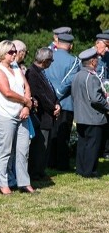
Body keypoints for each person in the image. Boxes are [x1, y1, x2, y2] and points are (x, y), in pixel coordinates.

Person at [0, 40, 33, 195]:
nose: (15, 54)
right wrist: (26, 101)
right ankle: (2, 183)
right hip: (6, 114)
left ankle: (24, 182)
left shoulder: (16, 67)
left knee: (23, 150)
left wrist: (27, 107)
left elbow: (26, 87)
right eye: (11, 52)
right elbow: (7, 92)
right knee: (5, 150)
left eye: (15, 51)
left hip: (22, 113)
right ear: (2, 54)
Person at [71, 47, 109, 178]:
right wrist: (107, 105)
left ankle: (81, 169)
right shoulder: (91, 77)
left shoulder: (77, 75)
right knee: (93, 145)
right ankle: (89, 171)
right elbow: (95, 98)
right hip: (93, 116)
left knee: (83, 144)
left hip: (81, 116)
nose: (98, 62)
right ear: (92, 62)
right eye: (96, 60)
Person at [44, 33, 79, 171]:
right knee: (63, 134)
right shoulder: (74, 61)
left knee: (51, 132)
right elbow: (70, 80)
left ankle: (49, 161)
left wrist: (51, 95)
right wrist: (58, 93)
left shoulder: (48, 57)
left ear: (57, 43)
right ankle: (62, 163)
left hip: (48, 100)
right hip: (65, 102)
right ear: (70, 45)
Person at [24, 48, 59, 181]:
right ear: (44, 61)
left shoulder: (41, 72)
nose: (52, 63)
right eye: (51, 61)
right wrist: (52, 106)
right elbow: (39, 95)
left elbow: (50, 91)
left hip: (48, 114)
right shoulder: (32, 73)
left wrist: (57, 103)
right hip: (42, 115)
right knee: (40, 146)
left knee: (45, 146)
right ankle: (35, 172)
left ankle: (41, 170)